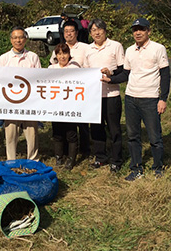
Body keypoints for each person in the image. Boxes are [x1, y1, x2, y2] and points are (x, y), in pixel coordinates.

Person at [105, 18, 170, 181]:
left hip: (150, 98)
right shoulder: (129, 50)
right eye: (135, 30)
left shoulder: (158, 48)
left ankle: (158, 167)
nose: (138, 32)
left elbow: (165, 75)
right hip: (131, 98)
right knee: (133, 136)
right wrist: (110, 79)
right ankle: (136, 168)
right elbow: (126, 74)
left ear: (148, 31)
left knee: (154, 136)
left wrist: (163, 99)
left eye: (141, 29)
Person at [84, 18, 125, 173]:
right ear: (90, 33)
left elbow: (123, 71)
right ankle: (101, 157)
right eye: (93, 30)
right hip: (94, 96)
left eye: (99, 29)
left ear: (105, 30)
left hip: (112, 94)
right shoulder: (88, 50)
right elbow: (85, 72)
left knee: (114, 129)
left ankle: (116, 160)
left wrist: (111, 73)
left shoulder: (115, 46)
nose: (97, 32)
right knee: (96, 128)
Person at [0, 26, 41, 160]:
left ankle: (33, 159)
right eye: (15, 37)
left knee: (32, 132)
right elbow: (0, 80)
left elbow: (39, 78)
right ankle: (11, 160)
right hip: (10, 102)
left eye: (21, 37)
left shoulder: (33, 57)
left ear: (25, 39)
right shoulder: (4, 58)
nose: (18, 40)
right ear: (11, 40)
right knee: (10, 133)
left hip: (29, 101)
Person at [49, 20, 91, 159]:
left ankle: (85, 150)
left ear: (77, 32)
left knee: (82, 123)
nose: (68, 34)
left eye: (71, 31)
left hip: (79, 91)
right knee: (65, 126)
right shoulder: (59, 48)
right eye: (66, 31)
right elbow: (52, 68)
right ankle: (65, 152)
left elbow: (89, 67)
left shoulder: (86, 48)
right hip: (61, 95)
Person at [49, 43, 80, 170]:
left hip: (71, 106)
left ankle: (71, 159)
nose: (62, 56)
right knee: (57, 133)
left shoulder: (75, 68)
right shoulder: (51, 69)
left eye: (65, 53)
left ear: (69, 55)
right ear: (56, 55)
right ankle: (59, 157)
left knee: (71, 133)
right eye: (59, 54)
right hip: (55, 106)